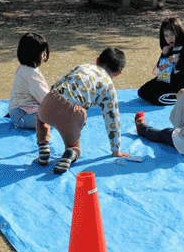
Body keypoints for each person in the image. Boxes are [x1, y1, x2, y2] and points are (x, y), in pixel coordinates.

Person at [35, 47, 130, 175]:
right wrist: (116, 150)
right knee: (74, 146)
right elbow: (112, 119)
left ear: (97, 60)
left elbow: (59, 84)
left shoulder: (83, 66)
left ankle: (43, 146)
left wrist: (49, 102)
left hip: (52, 100)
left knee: (41, 118)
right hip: (72, 114)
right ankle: (71, 153)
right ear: (118, 73)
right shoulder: (109, 87)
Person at [138, 17, 184, 105]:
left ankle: (182, 96)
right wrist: (164, 55)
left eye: (172, 34)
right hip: (168, 80)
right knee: (142, 92)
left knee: (156, 99)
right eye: (166, 36)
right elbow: (161, 71)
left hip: (183, 84)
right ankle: (175, 95)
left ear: (179, 33)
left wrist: (179, 60)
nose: (169, 38)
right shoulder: (168, 49)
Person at [8, 32, 51, 130]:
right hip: (21, 115)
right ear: (33, 54)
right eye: (42, 52)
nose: (44, 55)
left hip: (21, 111)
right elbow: (43, 97)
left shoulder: (26, 68)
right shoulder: (30, 73)